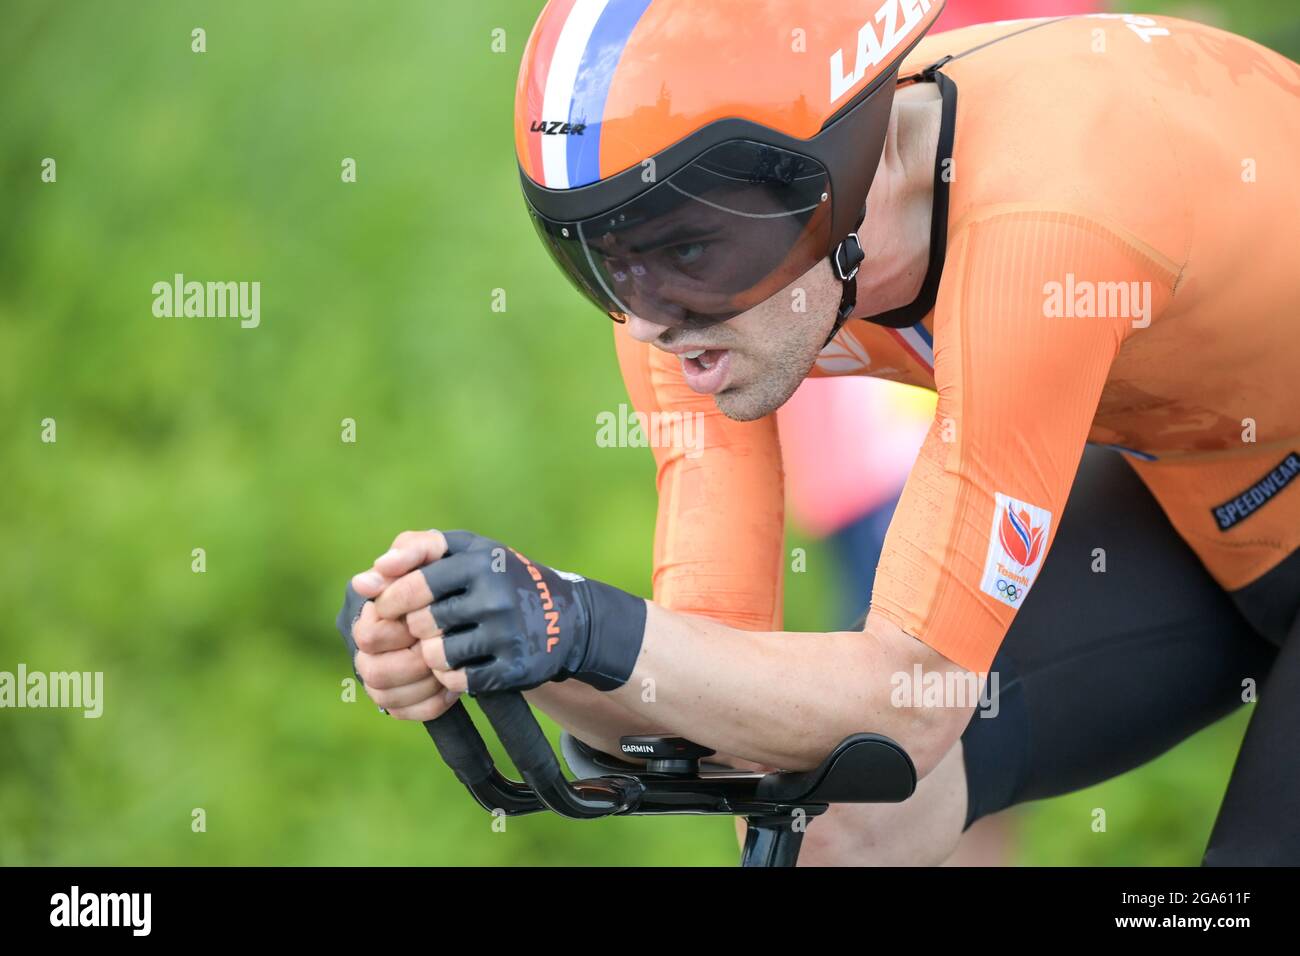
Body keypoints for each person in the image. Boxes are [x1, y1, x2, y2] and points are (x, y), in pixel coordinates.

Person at [339, 0, 1300, 865]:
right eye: (601, 259)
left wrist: (587, 625)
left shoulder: (1046, 226)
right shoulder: (692, 305)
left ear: (839, 176)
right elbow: (703, 718)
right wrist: (508, 640)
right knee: (839, 833)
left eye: (687, 247)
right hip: (1229, 484)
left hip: (1231, 468)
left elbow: (905, 701)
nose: (645, 325)